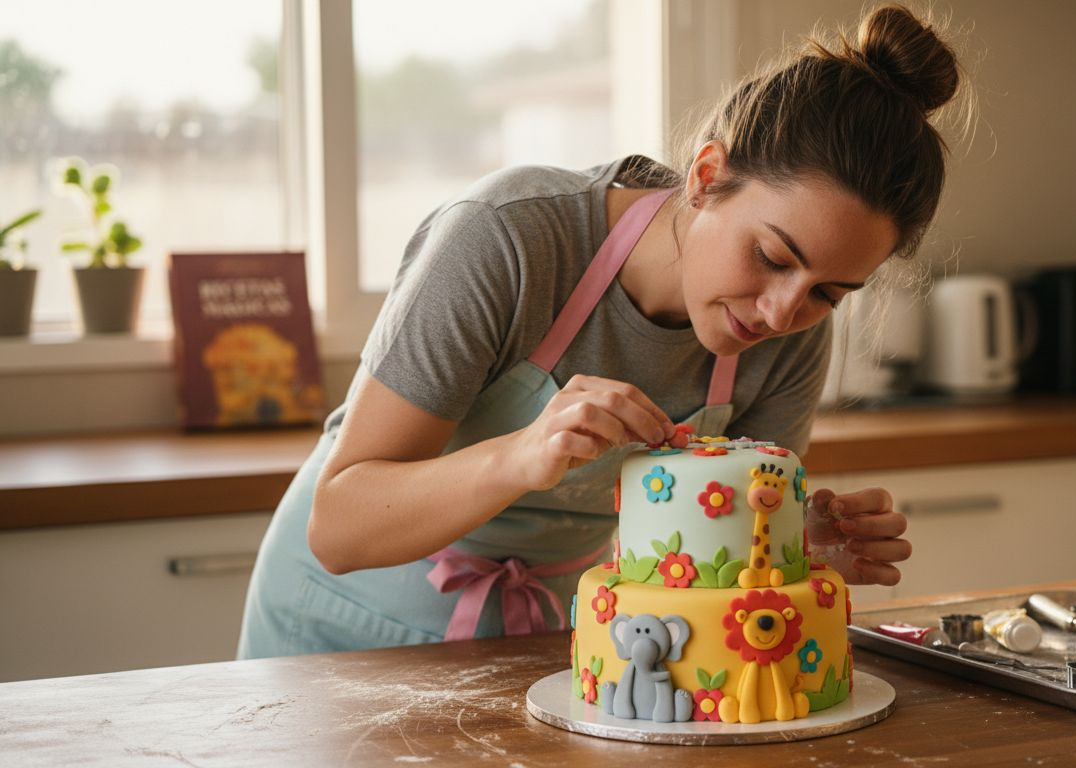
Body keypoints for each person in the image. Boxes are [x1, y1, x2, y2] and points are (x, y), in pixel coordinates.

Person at [238, 3, 962, 657]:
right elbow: (339, 528)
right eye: (772, 257)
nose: (781, 314)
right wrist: (523, 455)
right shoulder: (508, 240)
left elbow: (709, 547)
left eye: (829, 293)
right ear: (706, 176)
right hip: (339, 633)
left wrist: (790, 546)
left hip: (545, 637)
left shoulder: (791, 336)